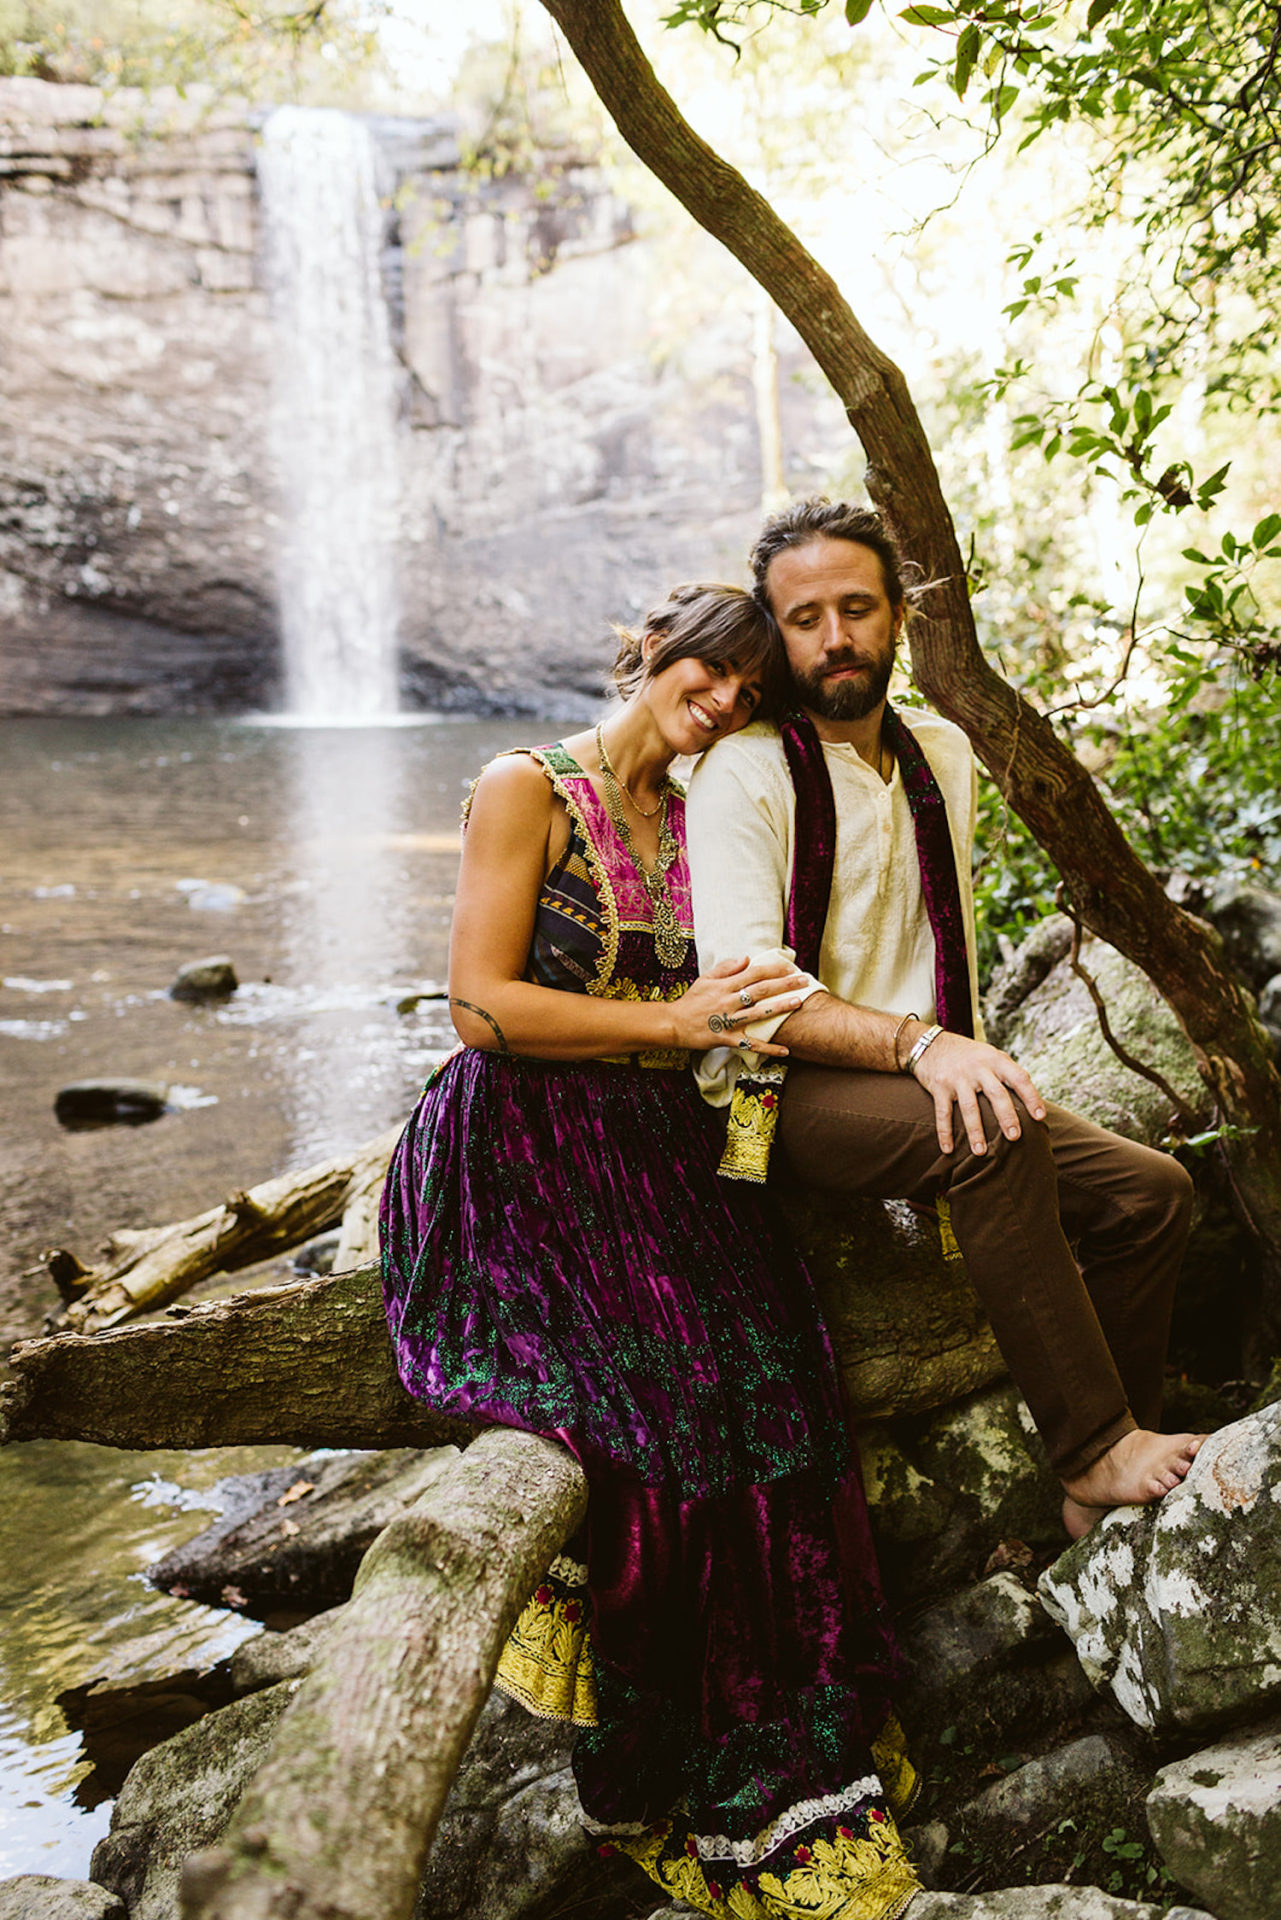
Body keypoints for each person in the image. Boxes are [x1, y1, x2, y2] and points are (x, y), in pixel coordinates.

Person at [380, 581, 925, 1920]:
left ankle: (792, 1749)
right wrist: (677, 1029)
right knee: (657, 1413)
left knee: (781, 1381)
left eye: (755, 691)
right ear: (655, 650)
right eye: (716, 671)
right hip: (520, 1145)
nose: (730, 702)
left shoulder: (709, 813)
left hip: (667, 1144)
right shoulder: (527, 786)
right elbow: (479, 1009)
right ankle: (666, 1763)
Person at [685, 499, 1203, 1543]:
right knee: (991, 1130)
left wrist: (940, 1048)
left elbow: (936, 937)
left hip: (911, 1072)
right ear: (774, 635)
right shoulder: (743, 770)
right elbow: (750, 999)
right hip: (774, 1089)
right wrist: (924, 1049)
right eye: (804, 618)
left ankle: (1094, 1482)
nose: (835, 638)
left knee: (1154, 1194)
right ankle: (1095, 1445)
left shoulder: (942, 753)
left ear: (900, 617)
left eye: (857, 608)